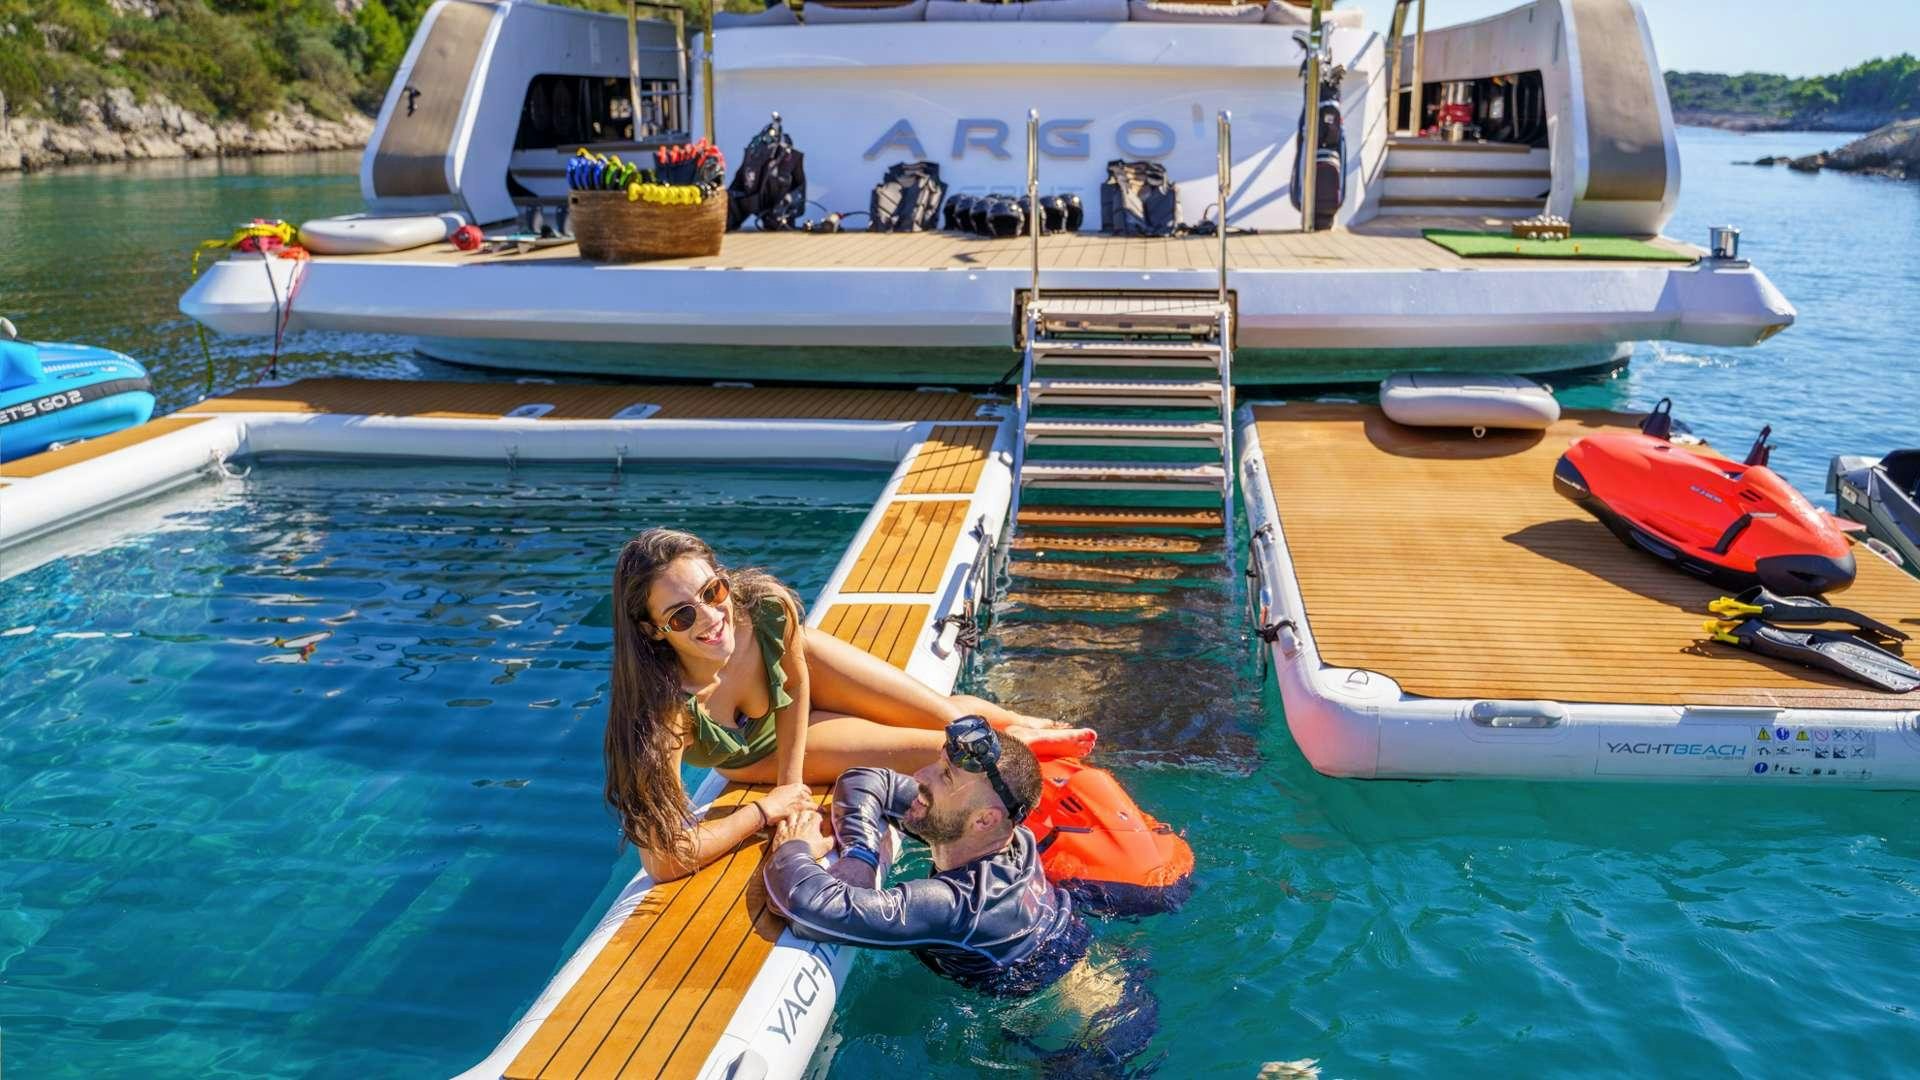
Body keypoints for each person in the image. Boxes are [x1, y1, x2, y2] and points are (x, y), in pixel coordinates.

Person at [605, 528, 1096, 882]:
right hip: (758, 750)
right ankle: (1015, 750)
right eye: (682, 615)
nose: (712, 617)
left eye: (713, 591)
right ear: (653, 630)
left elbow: (796, 681)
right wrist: (767, 808)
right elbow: (664, 859)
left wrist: (791, 783)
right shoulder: (660, 712)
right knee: (936, 749)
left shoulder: (762, 609)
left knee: (948, 716)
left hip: (800, 697)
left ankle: (1018, 724)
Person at [763, 716, 1090, 996]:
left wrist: (794, 845)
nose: (920, 775)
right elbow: (864, 780)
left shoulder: (960, 905)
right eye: (940, 763)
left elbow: (805, 904)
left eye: (946, 776)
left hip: (1058, 1021)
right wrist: (861, 856)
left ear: (984, 820)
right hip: (1068, 944)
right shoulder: (994, 831)